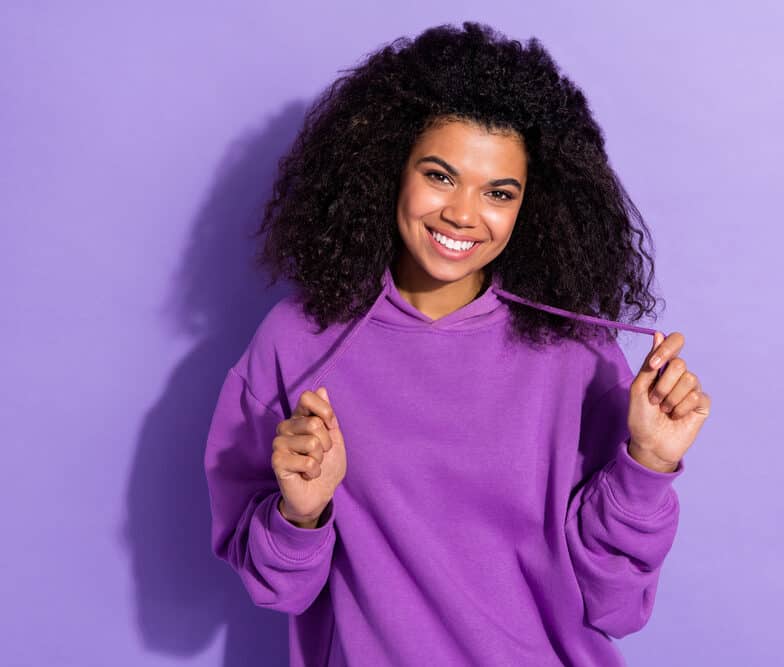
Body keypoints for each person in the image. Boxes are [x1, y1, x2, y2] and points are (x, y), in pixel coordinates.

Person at [203, 20, 712, 667]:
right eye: (440, 175)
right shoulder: (299, 340)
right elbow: (279, 589)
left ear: (532, 204)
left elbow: (614, 607)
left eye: (499, 191)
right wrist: (302, 514)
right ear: (391, 166)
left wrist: (646, 466)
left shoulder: (577, 355)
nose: (463, 213)